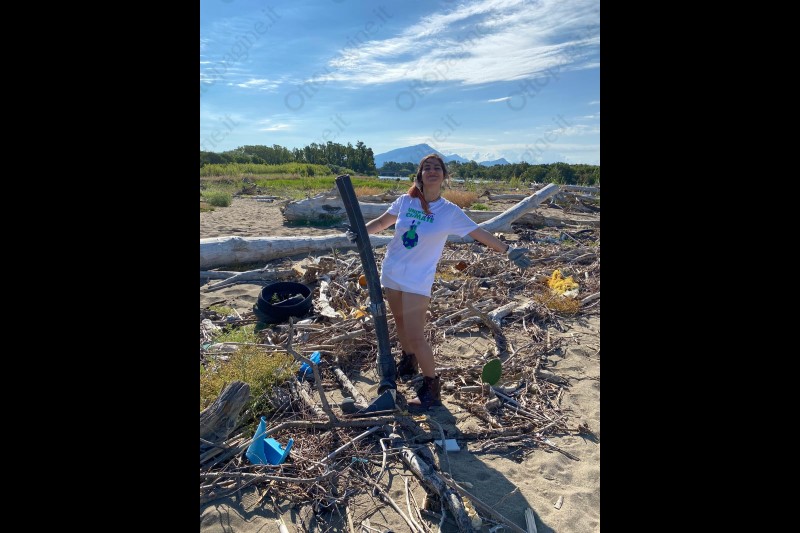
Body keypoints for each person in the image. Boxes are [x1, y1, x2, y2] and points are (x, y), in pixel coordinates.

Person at [347, 154, 532, 411]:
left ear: (444, 175)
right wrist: (360, 230)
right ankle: (408, 362)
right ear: (420, 175)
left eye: (437, 168)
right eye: (427, 168)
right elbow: (382, 222)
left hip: (417, 279)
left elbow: (478, 232)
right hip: (392, 272)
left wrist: (508, 250)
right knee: (399, 321)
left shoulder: (449, 211)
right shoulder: (406, 201)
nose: (432, 171)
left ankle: (431, 390)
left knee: (416, 335)